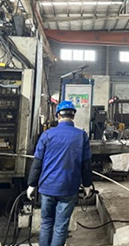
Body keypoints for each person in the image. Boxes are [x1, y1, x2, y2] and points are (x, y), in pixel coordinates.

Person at [27, 100, 92, 246]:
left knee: (46, 223)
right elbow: (86, 164)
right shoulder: (81, 136)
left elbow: (37, 163)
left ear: (58, 116)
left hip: (47, 187)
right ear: (73, 116)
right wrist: (87, 185)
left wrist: (31, 184)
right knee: (61, 226)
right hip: (68, 188)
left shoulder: (47, 135)